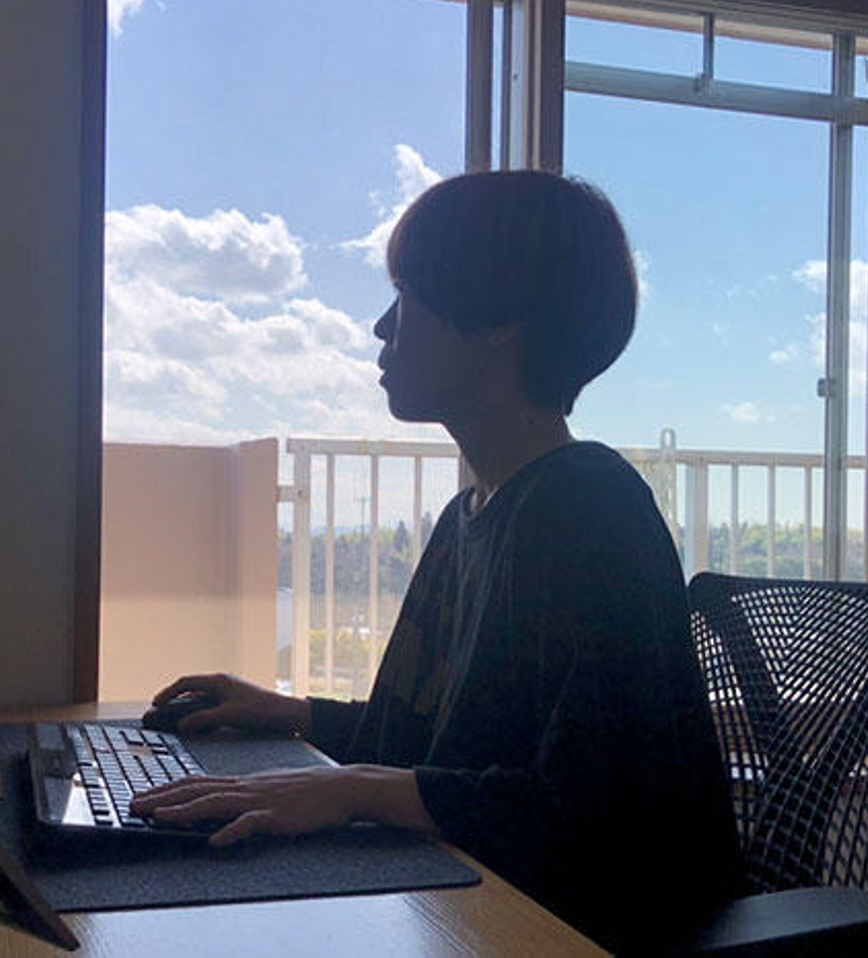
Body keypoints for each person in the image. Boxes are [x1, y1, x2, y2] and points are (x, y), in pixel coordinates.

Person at [130, 170, 742, 952]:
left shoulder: (591, 507)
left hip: (568, 931)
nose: (382, 325)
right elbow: (427, 741)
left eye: (409, 293)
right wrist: (292, 714)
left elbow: (600, 811)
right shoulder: (469, 516)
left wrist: (352, 790)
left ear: (498, 322)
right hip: (469, 908)